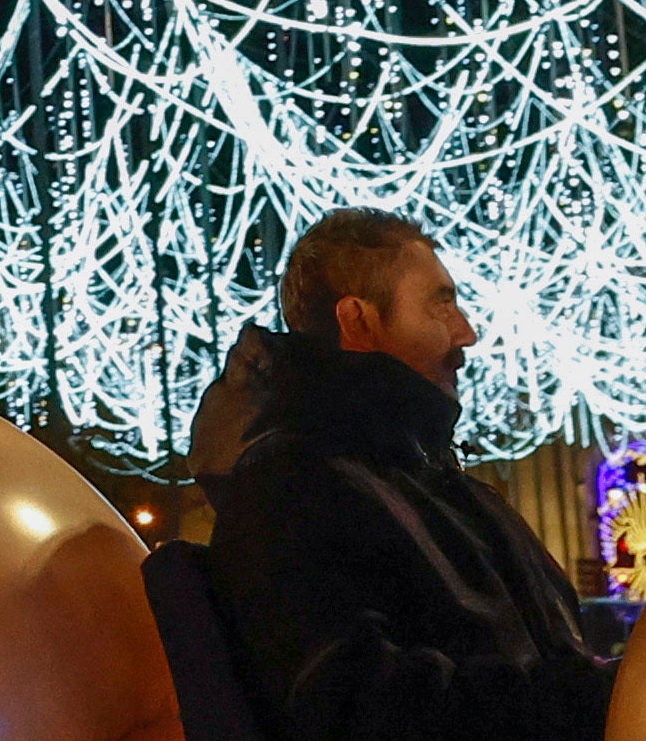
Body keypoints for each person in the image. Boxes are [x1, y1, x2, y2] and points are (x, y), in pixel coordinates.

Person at [211, 210, 615, 741]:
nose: (466, 334)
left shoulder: (433, 482)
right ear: (359, 321)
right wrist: (596, 698)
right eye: (440, 303)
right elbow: (359, 707)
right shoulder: (294, 487)